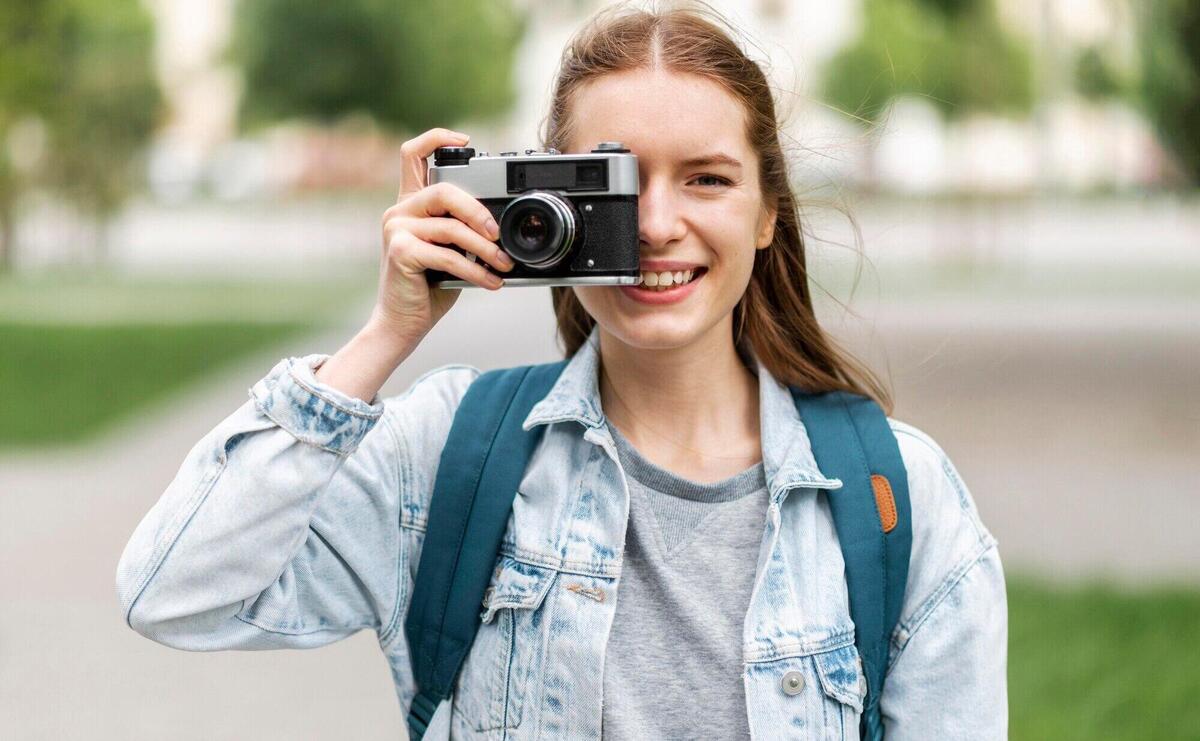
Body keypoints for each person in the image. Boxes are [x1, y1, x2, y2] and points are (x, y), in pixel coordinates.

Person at [116, 3, 1007, 739]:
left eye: (706, 180)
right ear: (543, 200)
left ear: (770, 212)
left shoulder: (900, 495)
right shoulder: (451, 454)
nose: (656, 224)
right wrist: (385, 336)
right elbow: (175, 592)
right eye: (615, 182)